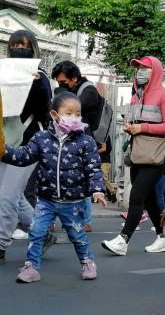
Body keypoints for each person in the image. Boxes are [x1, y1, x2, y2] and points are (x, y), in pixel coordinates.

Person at [0, 92, 106, 282]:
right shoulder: (41, 138)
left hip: (73, 201)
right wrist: (3, 150)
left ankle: (87, 262)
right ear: (54, 115)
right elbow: (23, 156)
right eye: (69, 113)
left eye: (77, 114)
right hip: (46, 200)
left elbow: (94, 168)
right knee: (36, 232)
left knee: (77, 235)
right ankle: (31, 267)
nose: (74, 118)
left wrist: (97, 189)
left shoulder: (85, 141)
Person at [102, 56, 165, 256]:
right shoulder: (136, 97)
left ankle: (123, 240)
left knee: (136, 197)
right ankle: (163, 237)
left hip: (154, 157)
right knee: (151, 201)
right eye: (138, 68)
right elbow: (134, 121)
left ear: (156, 71)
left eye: (145, 68)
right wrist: (129, 127)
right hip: (136, 154)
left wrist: (141, 127)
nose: (140, 71)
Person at [0, 30, 52, 261]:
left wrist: (38, 86)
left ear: (33, 48)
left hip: (28, 142)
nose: (19, 48)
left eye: (24, 45)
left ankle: (0, 245)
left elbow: (45, 113)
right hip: (4, 140)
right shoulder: (1, 74)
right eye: (15, 44)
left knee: (7, 196)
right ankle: (41, 232)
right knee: (12, 195)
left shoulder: (40, 77)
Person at [52, 61, 103, 232]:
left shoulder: (88, 91)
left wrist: (60, 94)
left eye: (63, 82)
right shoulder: (74, 89)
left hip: (85, 142)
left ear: (74, 78)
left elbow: (71, 107)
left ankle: (86, 221)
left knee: (83, 179)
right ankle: (79, 219)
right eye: (58, 82)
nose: (60, 85)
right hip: (71, 141)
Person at [99, 136, 117, 203]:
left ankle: (113, 193)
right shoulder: (104, 136)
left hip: (104, 161)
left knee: (104, 179)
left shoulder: (105, 137)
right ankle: (110, 196)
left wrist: (94, 152)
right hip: (103, 161)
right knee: (102, 179)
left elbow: (104, 149)